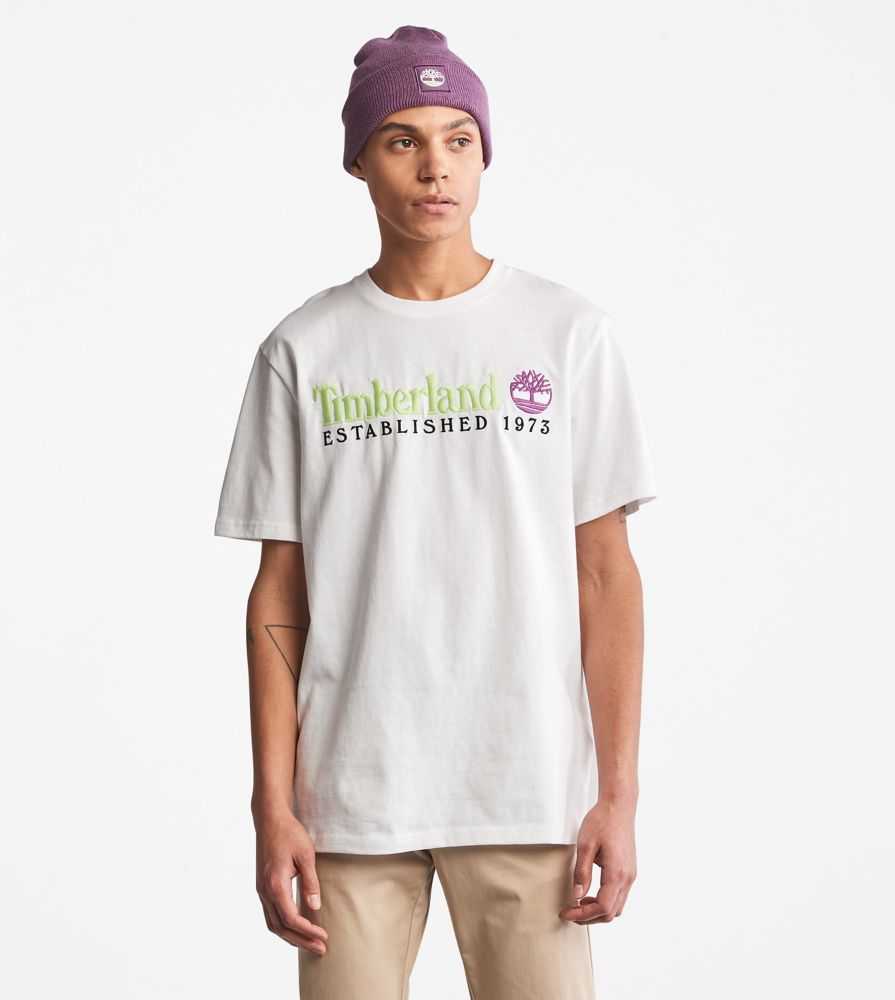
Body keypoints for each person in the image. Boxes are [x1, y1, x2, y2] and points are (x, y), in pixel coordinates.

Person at [213, 24, 658, 1000]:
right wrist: (271, 803)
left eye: (458, 139)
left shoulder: (567, 334)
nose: (434, 166)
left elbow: (605, 574)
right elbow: (278, 594)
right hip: (350, 799)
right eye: (402, 140)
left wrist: (618, 794)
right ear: (359, 161)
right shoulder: (304, 349)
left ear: (484, 154)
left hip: (528, 789)